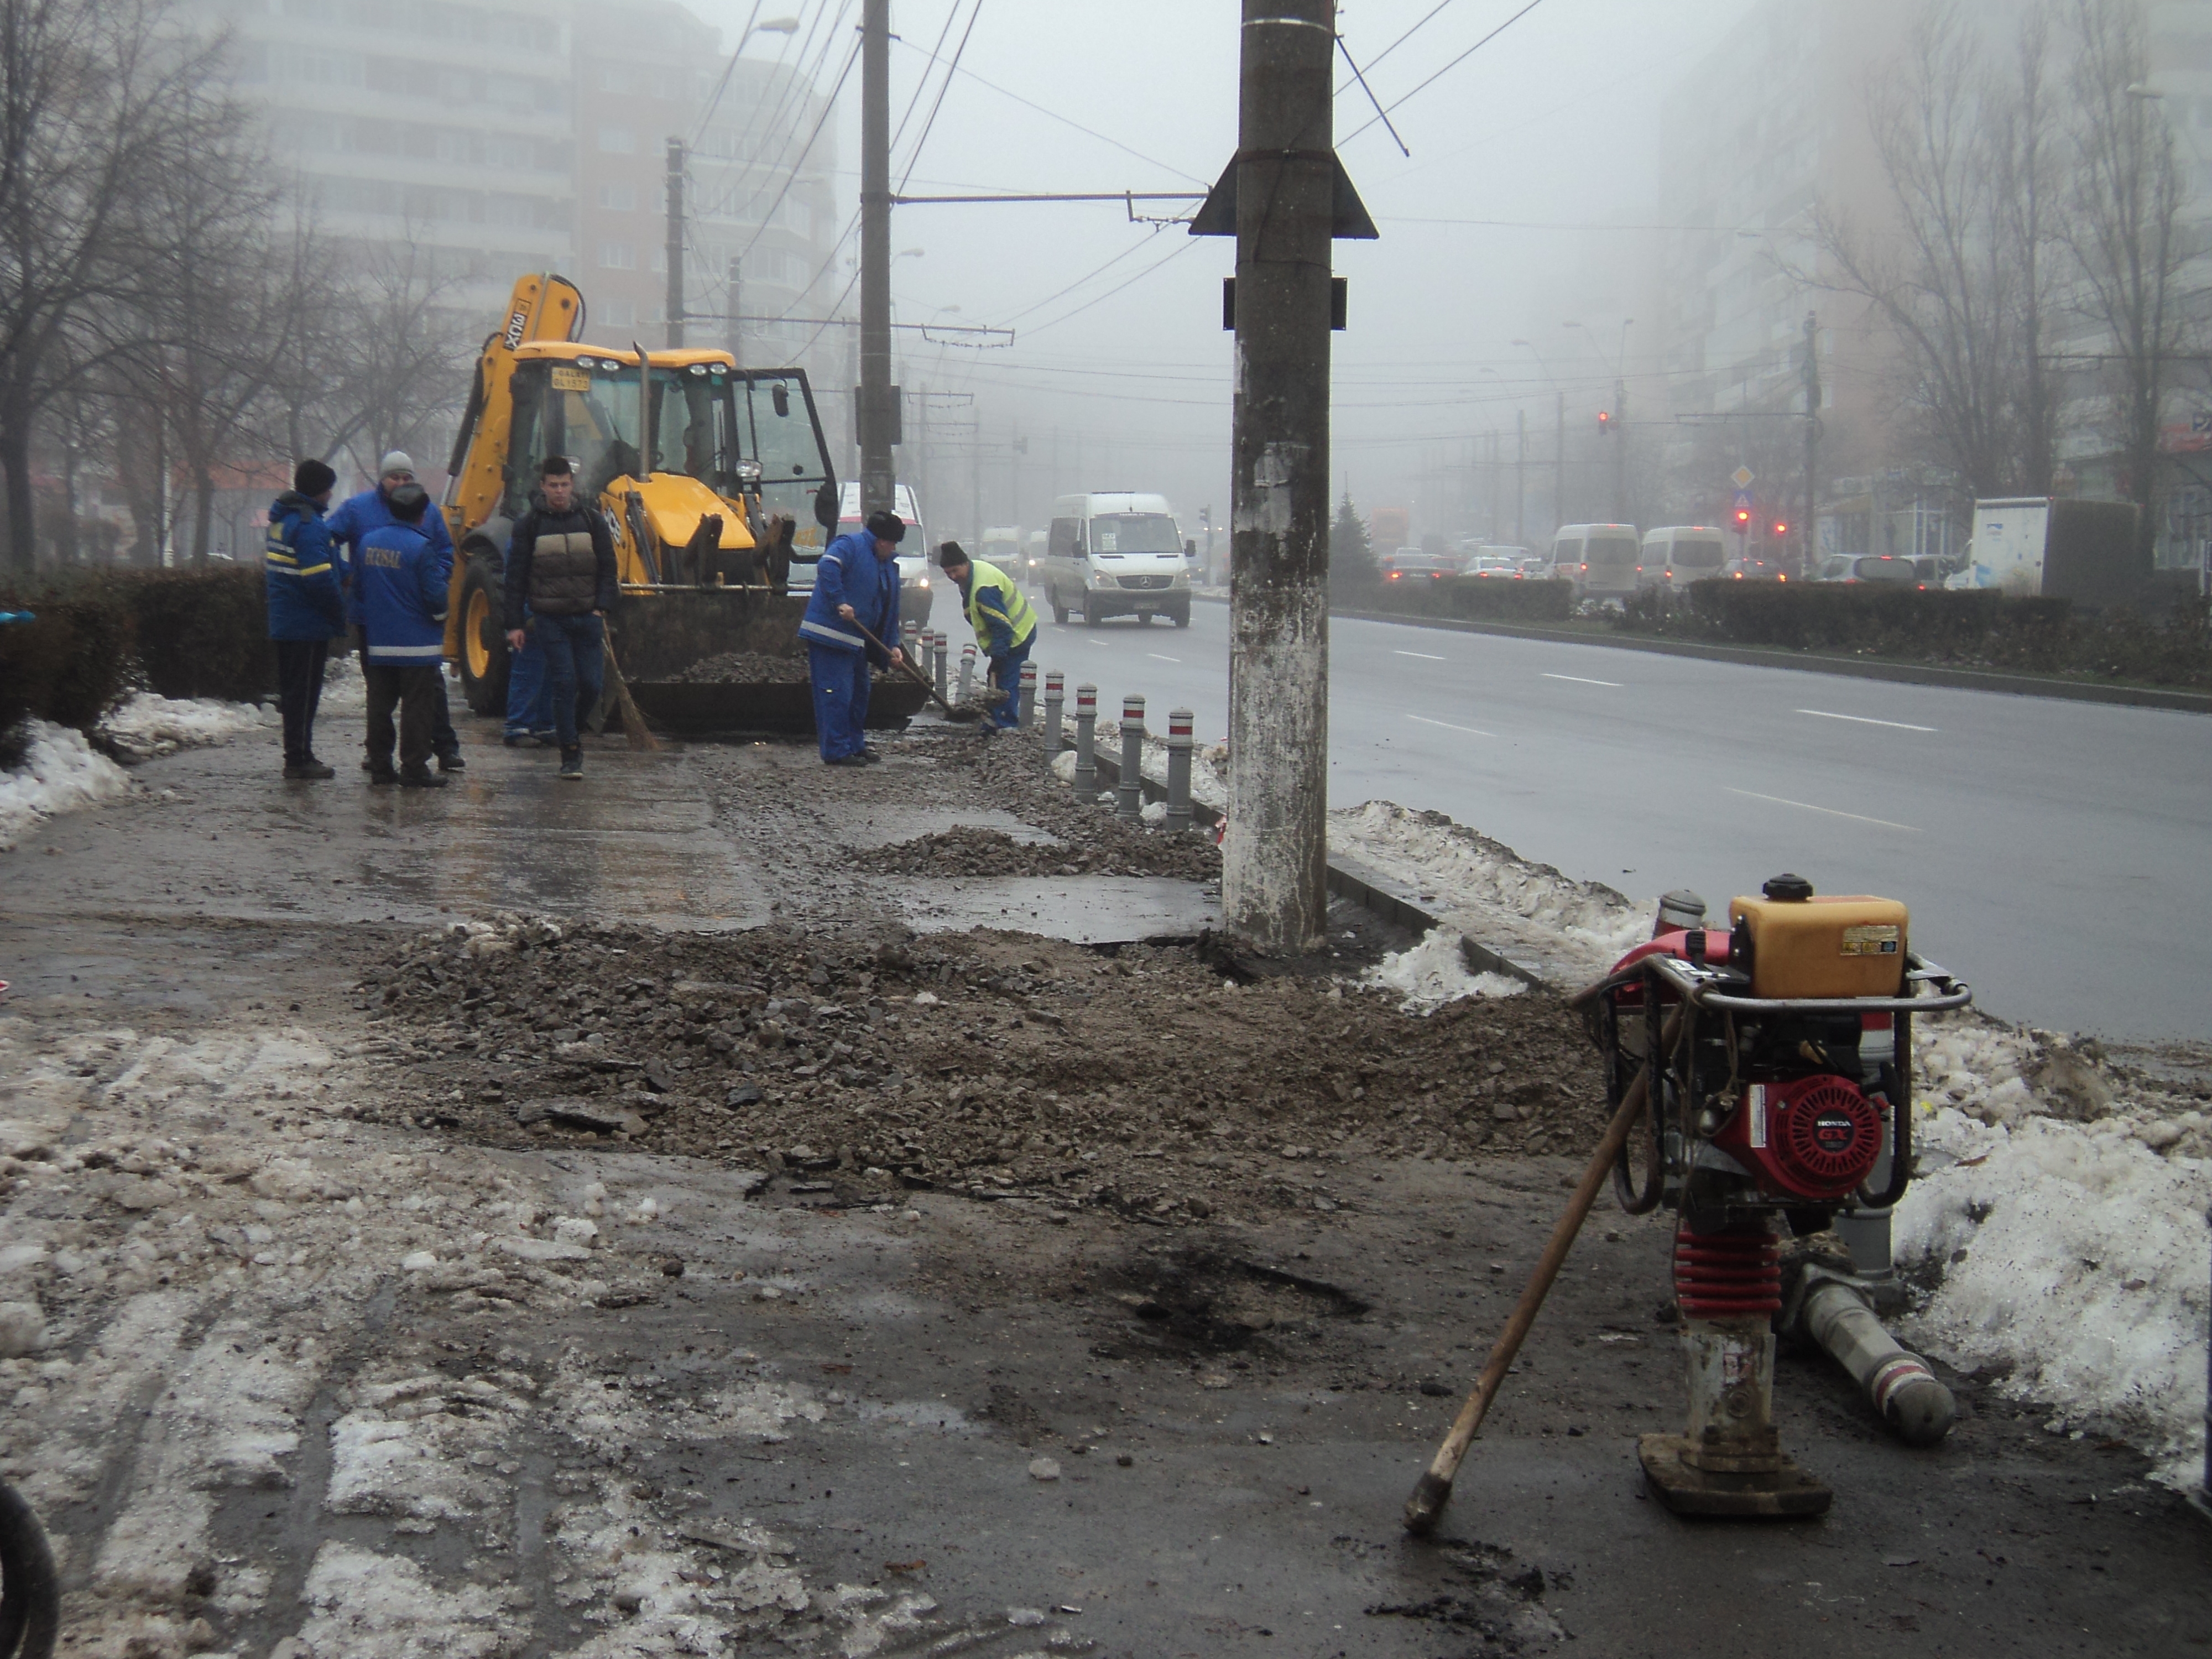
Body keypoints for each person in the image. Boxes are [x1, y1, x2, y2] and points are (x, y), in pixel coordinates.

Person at [328, 451, 464, 773]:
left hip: (400, 614)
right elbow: (326, 540)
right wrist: (345, 572)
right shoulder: (357, 509)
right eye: (395, 477)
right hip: (377, 618)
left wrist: (435, 576)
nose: (401, 483)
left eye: (407, 477)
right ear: (382, 479)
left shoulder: (427, 511)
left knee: (427, 690)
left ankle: (442, 747)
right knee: (385, 693)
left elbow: (445, 550)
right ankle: (389, 756)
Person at [503, 455, 617, 781]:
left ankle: (570, 729)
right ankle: (570, 753)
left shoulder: (593, 521)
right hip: (550, 619)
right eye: (553, 486)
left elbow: (609, 568)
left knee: (592, 686)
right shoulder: (529, 525)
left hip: (587, 617)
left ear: (572, 485)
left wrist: (602, 607)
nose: (559, 492)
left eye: (565, 485)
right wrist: (514, 624)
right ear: (543, 486)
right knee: (565, 683)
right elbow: (515, 578)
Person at [352, 483, 452, 787]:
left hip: (379, 643)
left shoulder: (368, 543)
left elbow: (359, 590)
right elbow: (435, 596)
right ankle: (414, 768)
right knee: (417, 708)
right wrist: (440, 619)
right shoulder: (422, 547)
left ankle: (381, 766)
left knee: (379, 706)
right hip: (417, 646)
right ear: (422, 516)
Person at [798, 509, 905, 766]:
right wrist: (840, 602)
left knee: (859, 694)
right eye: (891, 544)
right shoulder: (850, 545)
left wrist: (893, 645)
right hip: (831, 636)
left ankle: (854, 745)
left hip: (856, 641)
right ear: (882, 541)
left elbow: (886, 608)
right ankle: (836, 750)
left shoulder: (885, 564)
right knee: (836, 694)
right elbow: (827, 566)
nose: (892, 549)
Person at [263, 458, 348, 780]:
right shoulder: (310, 525)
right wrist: (338, 612)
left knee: (294, 691)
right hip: (306, 623)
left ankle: (298, 754)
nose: (330, 495)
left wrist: (350, 572)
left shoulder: (284, 520)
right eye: (328, 488)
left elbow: (323, 564)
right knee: (304, 694)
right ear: (320, 489)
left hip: (288, 619)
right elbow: (319, 579)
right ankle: (299, 758)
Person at [935, 539, 1037, 732]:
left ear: (965, 564)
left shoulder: (984, 590)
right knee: (998, 679)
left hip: (1018, 634)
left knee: (1006, 682)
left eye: (955, 571)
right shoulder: (972, 575)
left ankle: (1006, 725)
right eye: (948, 573)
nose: (952, 576)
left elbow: (1002, 628)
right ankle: (995, 720)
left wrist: (998, 658)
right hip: (1011, 632)